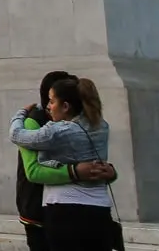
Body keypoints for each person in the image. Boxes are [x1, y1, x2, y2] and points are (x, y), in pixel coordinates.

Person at [10, 77, 115, 250]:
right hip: (100, 208)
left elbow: (16, 135)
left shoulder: (58, 131)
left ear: (66, 106)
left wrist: (20, 113)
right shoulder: (102, 126)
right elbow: (101, 166)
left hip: (65, 209)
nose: (49, 107)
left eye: (52, 102)